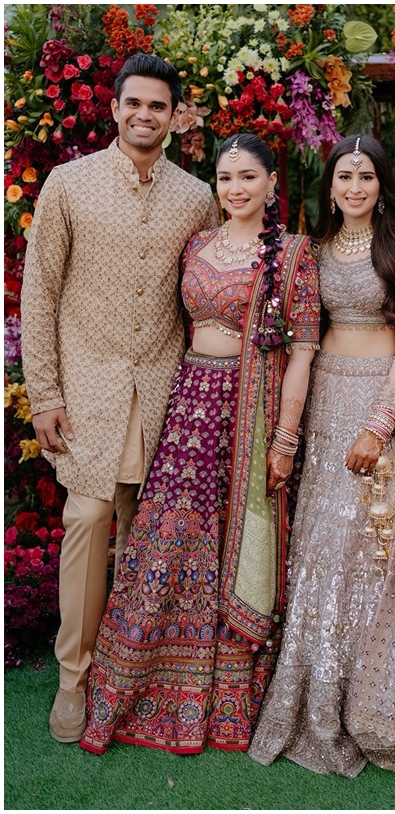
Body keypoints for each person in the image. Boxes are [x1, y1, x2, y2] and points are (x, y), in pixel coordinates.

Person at [80, 134, 320, 754]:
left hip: (249, 413)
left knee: (239, 541)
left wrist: (285, 437)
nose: (235, 189)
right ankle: (145, 682)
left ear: (271, 183)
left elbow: (302, 352)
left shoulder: (294, 255)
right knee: (169, 536)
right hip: (189, 406)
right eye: (225, 178)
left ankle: (228, 696)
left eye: (248, 177)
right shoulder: (197, 244)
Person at [249, 135, 395, 776]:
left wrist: (380, 423)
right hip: (325, 401)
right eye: (344, 176)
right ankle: (323, 695)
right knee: (324, 547)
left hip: (381, 401)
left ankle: (386, 701)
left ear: (382, 185)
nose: (355, 187)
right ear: (330, 187)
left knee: (379, 546)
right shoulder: (311, 251)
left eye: (366, 176)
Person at [20, 53, 219, 743]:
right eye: (134, 102)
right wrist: (44, 393)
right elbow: (39, 292)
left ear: (174, 116)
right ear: (114, 108)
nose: (144, 115)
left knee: (146, 529)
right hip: (87, 387)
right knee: (89, 517)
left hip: (164, 385)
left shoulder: (196, 197)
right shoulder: (68, 184)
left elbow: (204, 291)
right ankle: (73, 679)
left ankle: (130, 675)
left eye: (158, 106)